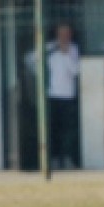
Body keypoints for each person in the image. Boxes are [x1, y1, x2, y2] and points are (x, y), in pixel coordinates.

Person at [30, 23, 83, 170]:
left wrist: (65, 55)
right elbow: (30, 60)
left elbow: (75, 71)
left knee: (67, 130)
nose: (65, 36)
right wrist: (39, 75)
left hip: (68, 96)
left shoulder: (73, 49)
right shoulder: (48, 48)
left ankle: (67, 158)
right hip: (51, 95)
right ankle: (52, 159)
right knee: (52, 128)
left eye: (67, 33)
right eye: (62, 33)